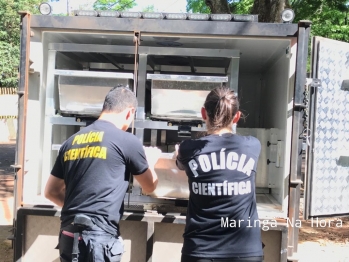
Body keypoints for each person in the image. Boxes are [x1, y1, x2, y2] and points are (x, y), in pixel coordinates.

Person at [44, 85, 161, 262]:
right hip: (99, 239)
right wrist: (150, 162)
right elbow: (149, 186)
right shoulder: (126, 140)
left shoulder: (71, 141)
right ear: (130, 113)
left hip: (68, 234)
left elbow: (51, 192)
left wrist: (79, 210)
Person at [176, 86, 264, 262]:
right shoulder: (252, 146)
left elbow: (179, 163)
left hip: (200, 251)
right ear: (236, 117)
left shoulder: (187, 149)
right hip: (246, 252)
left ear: (203, 113)